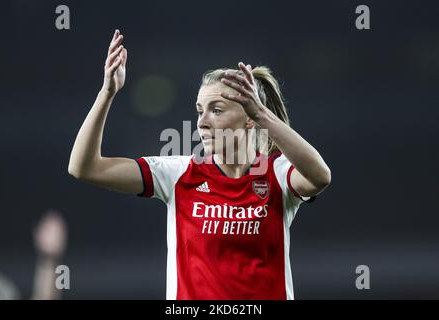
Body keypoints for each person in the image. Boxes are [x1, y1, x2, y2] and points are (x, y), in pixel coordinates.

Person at [68, 29, 331, 300]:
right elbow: (84, 167)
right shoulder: (178, 174)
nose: (202, 122)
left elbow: (320, 176)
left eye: (216, 110)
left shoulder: (276, 173)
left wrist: (264, 115)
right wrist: (107, 92)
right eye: (199, 111)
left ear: (249, 118)